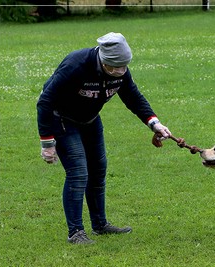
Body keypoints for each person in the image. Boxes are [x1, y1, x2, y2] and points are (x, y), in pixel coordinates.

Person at [37, 32, 171, 244]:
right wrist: (47, 143)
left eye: (123, 67)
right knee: (78, 172)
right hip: (61, 119)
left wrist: (154, 123)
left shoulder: (120, 71)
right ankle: (76, 233)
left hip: (90, 120)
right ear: (102, 59)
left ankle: (100, 224)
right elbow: (45, 101)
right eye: (114, 67)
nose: (119, 72)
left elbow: (133, 97)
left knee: (98, 170)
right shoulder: (76, 65)